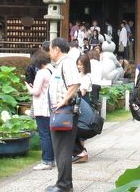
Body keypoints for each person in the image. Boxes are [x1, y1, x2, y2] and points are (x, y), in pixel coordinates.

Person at [47, 38, 81, 192]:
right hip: (60, 112)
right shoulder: (60, 65)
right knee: (60, 149)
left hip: (65, 112)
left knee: (63, 150)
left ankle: (64, 185)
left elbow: (74, 84)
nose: (49, 53)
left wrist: (63, 101)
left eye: (50, 49)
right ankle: (62, 183)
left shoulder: (66, 63)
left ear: (57, 50)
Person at [26, 51, 54, 171]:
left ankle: (47, 160)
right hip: (51, 106)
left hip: (42, 107)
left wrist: (28, 87)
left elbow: (36, 92)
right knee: (51, 134)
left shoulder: (41, 73)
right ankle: (52, 159)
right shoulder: (53, 70)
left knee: (44, 135)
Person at [73, 54, 95, 163]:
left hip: (83, 101)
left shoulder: (87, 77)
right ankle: (81, 150)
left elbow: (82, 92)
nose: (79, 67)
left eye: (81, 65)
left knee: (82, 124)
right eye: (78, 64)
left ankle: (81, 150)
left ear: (86, 65)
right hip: (78, 100)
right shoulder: (78, 75)